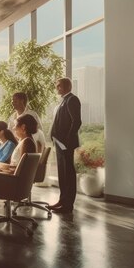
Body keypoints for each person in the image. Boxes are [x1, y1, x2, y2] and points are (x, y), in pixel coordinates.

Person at [49, 78, 82, 214]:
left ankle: (68, 205)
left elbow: (76, 122)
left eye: (59, 86)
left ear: (67, 86)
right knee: (62, 173)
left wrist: (67, 141)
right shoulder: (63, 100)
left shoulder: (72, 99)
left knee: (68, 173)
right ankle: (62, 200)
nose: (57, 88)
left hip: (65, 144)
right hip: (59, 143)